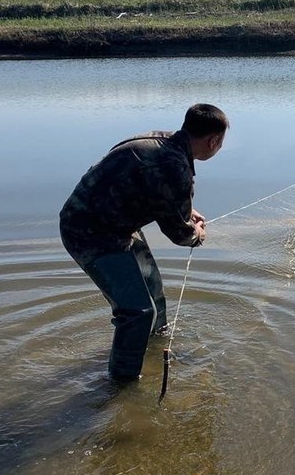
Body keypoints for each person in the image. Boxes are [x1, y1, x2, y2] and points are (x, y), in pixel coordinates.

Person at [59, 103, 229, 383]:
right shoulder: (175, 167)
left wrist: (186, 213)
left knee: (153, 293)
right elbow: (180, 234)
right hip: (88, 231)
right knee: (137, 311)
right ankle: (123, 383)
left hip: (114, 224)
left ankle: (150, 350)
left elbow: (157, 191)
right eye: (220, 143)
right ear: (213, 141)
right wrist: (198, 234)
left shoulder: (161, 140)